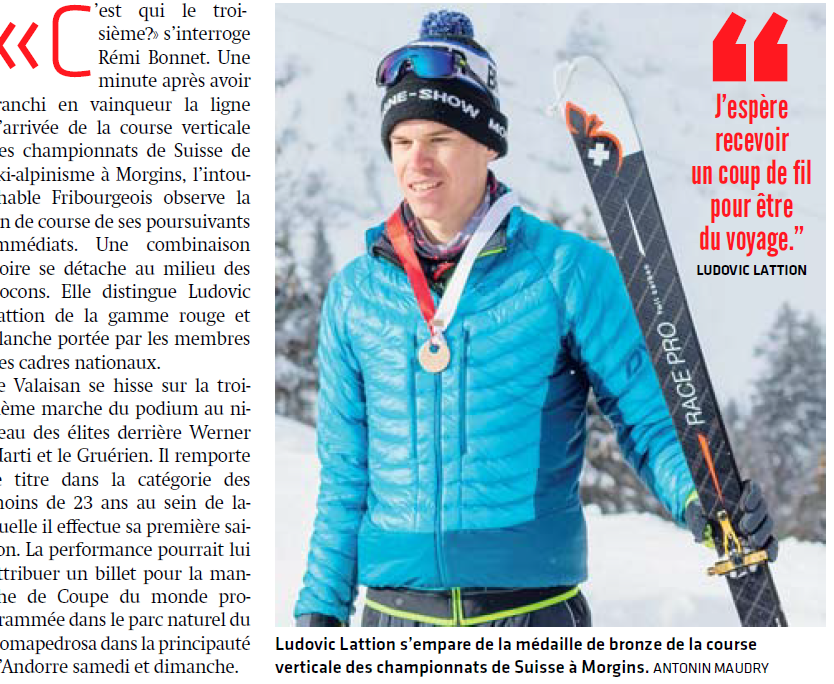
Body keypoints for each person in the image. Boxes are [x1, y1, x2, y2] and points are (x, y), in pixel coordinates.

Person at [294, 10, 777, 627]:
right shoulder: (355, 295)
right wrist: (320, 612)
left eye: (440, 139)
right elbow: (344, 476)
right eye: (402, 142)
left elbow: (652, 420)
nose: (418, 163)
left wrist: (701, 495)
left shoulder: (566, 272)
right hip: (392, 619)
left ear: (487, 144)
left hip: (531, 616)